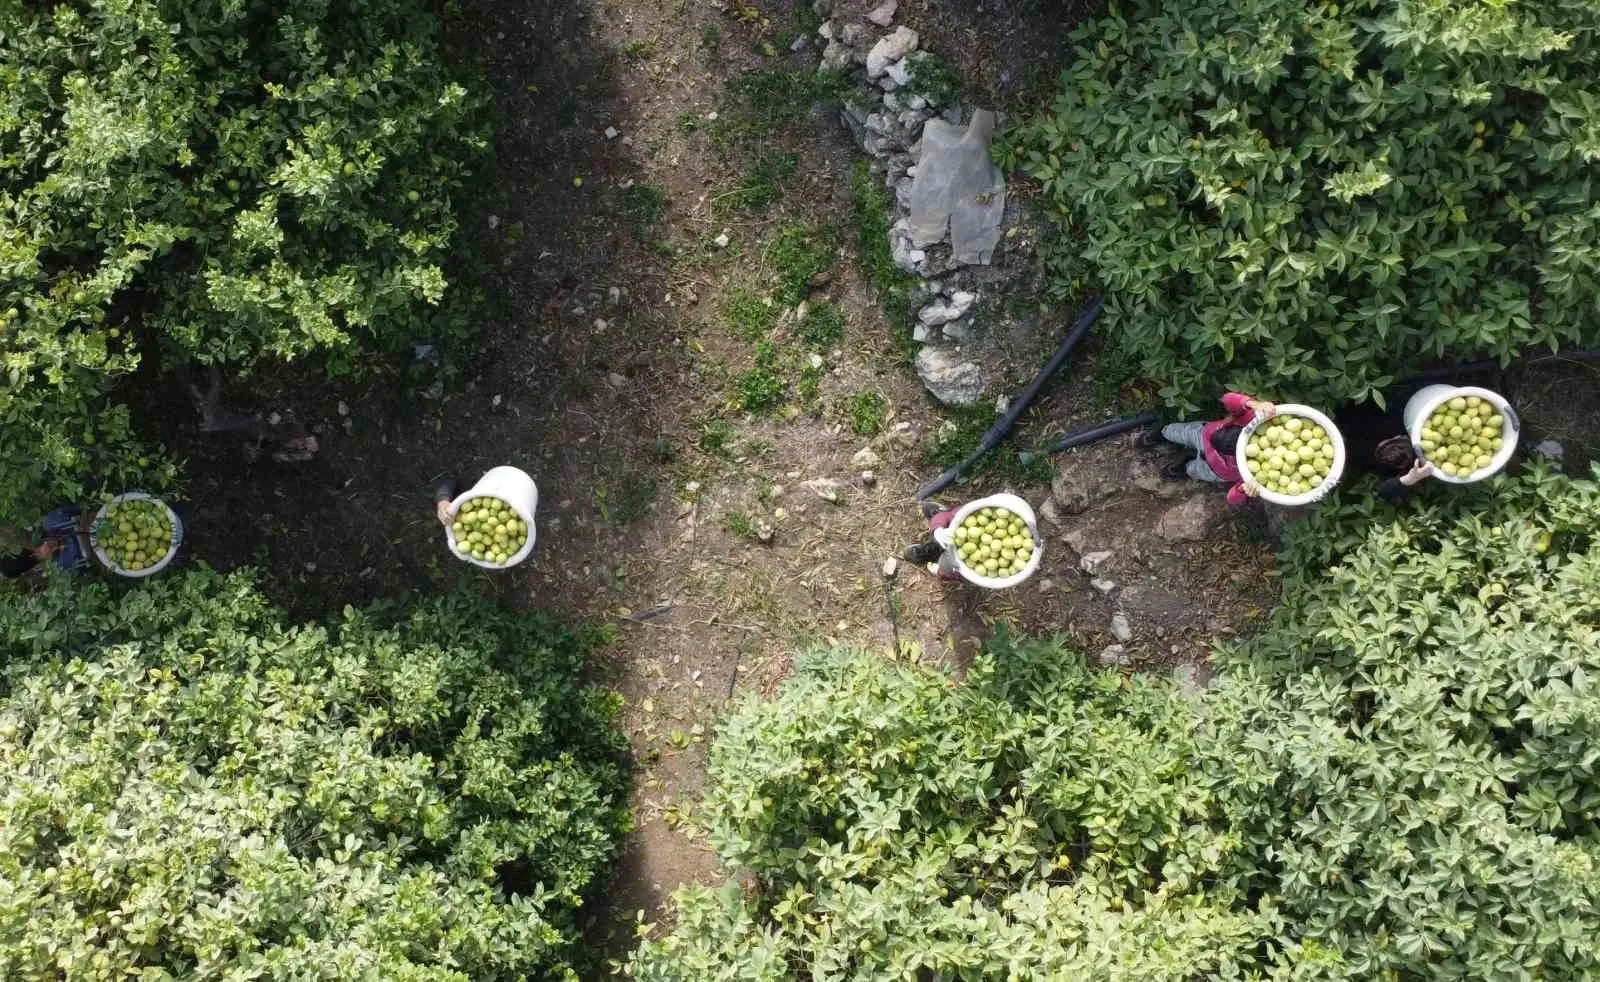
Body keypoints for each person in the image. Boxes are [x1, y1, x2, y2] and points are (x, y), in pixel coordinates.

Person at [1142, 392, 1276, 507]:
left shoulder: (1252, 471)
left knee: (1193, 469)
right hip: (1202, 434)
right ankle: (1162, 433)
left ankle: (1181, 468)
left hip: (1214, 471)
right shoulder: (1252, 421)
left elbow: (1232, 498)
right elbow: (1227, 398)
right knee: (1177, 432)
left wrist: (1243, 489)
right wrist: (1254, 404)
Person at [1333, 395, 1436, 505]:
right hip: (1350, 413)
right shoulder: (1401, 420)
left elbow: (1384, 492)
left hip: (1344, 443)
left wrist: (1409, 479)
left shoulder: (1416, 464)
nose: (1394, 452)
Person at [1, 505, 95, 579]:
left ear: (26, 569)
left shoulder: (62, 570)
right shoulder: (50, 521)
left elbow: (92, 564)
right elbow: (84, 508)